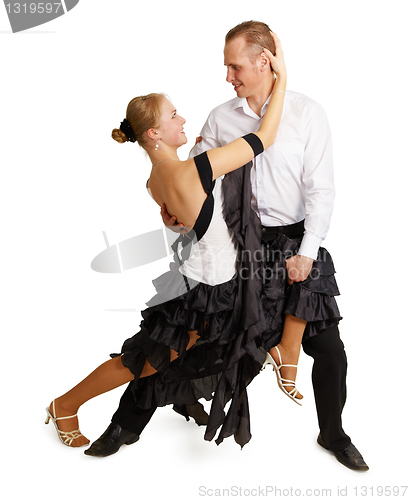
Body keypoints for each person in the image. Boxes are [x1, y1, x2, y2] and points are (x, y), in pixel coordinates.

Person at [87, 21, 368, 472]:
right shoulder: (221, 118)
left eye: (235, 66)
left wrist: (309, 250)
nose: (228, 76)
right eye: (226, 67)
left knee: (330, 349)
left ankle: (333, 434)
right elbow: (193, 185)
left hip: (297, 244)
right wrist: (175, 219)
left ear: (265, 61)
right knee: (193, 343)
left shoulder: (308, 113)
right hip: (241, 248)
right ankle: (126, 423)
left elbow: (322, 191)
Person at [45, 33, 287, 450]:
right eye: (174, 116)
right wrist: (281, 80)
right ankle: (65, 403)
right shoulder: (196, 169)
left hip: (208, 284)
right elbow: (264, 138)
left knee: (179, 356)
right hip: (201, 292)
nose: (183, 119)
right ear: (155, 132)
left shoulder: (156, 179)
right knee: (138, 362)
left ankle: (185, 400)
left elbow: (184, 223)